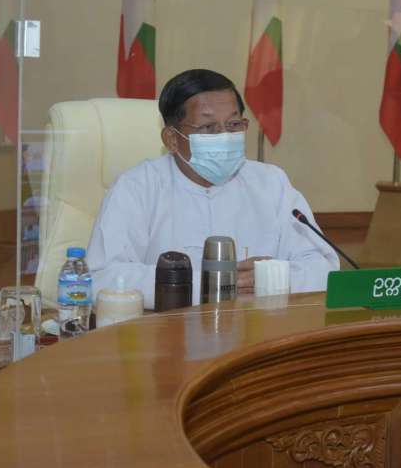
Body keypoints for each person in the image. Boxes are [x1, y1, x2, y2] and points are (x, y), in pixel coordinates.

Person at [87, 68, 339, 308]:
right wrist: (213, 285)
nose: (224, 136)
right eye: (208, 127)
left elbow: (323, 267)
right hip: (169, 330)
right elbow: (102, 277)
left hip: (259, 329)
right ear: (172, 139)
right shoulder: (137, 187)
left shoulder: (271, 183)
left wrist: (270, 278)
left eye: (233, 125)